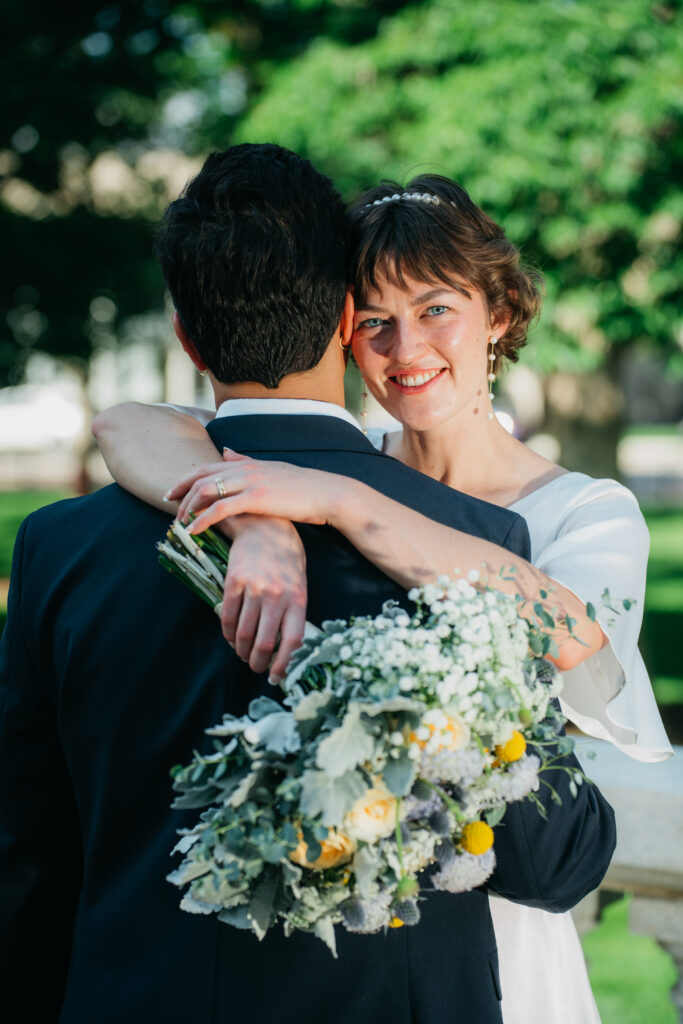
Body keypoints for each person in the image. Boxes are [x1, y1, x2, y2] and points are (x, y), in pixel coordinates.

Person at [0, 143, 615, 1024]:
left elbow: (27, 847)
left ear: (184, 334)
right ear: (344, 318)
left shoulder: (60, 545)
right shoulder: (473, 546)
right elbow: (552, 861)